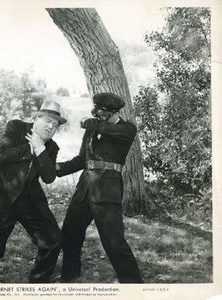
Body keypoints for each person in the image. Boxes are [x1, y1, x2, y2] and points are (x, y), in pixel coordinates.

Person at [0, 100, 67, 283]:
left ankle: (38, 283)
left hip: (29, 199)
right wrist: (30, 147)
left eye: (55, 124)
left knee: (53, 239)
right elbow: (1, 156)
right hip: (2, 195)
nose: (51, 126)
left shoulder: (51, 147)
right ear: (36, 118)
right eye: (48, 120)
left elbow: (49, 177)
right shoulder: (16, 127)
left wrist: (40, 148)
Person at [56, 92, 143, 283]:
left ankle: (134, 286)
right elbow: (81, 160)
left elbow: (100, 125)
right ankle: (70, 276)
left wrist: (88, 122)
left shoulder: (127, 129)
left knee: (114, 243)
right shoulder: (93, 128)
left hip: (107, 190)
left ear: (113, 112)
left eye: (101, 111)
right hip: (85, 187)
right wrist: (58, 168)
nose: (96, 113)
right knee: (70, 233)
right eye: (96, 110)